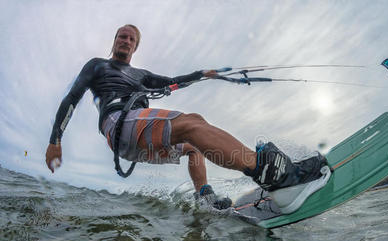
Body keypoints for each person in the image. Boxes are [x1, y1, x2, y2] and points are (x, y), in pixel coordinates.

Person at [45, 24, 328, 210]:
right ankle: (274, 174)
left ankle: (204, 197)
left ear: (136, 46)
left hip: (139, 140)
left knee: (194, 145)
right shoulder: (97, 65)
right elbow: (72, 98)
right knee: (191, 124)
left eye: (131, 38)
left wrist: (203, 74)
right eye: (122, 35)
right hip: (118, 123)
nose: (126, 40)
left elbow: (172, 80)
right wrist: (55, 140)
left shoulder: (141, 75)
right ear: (115, 40)